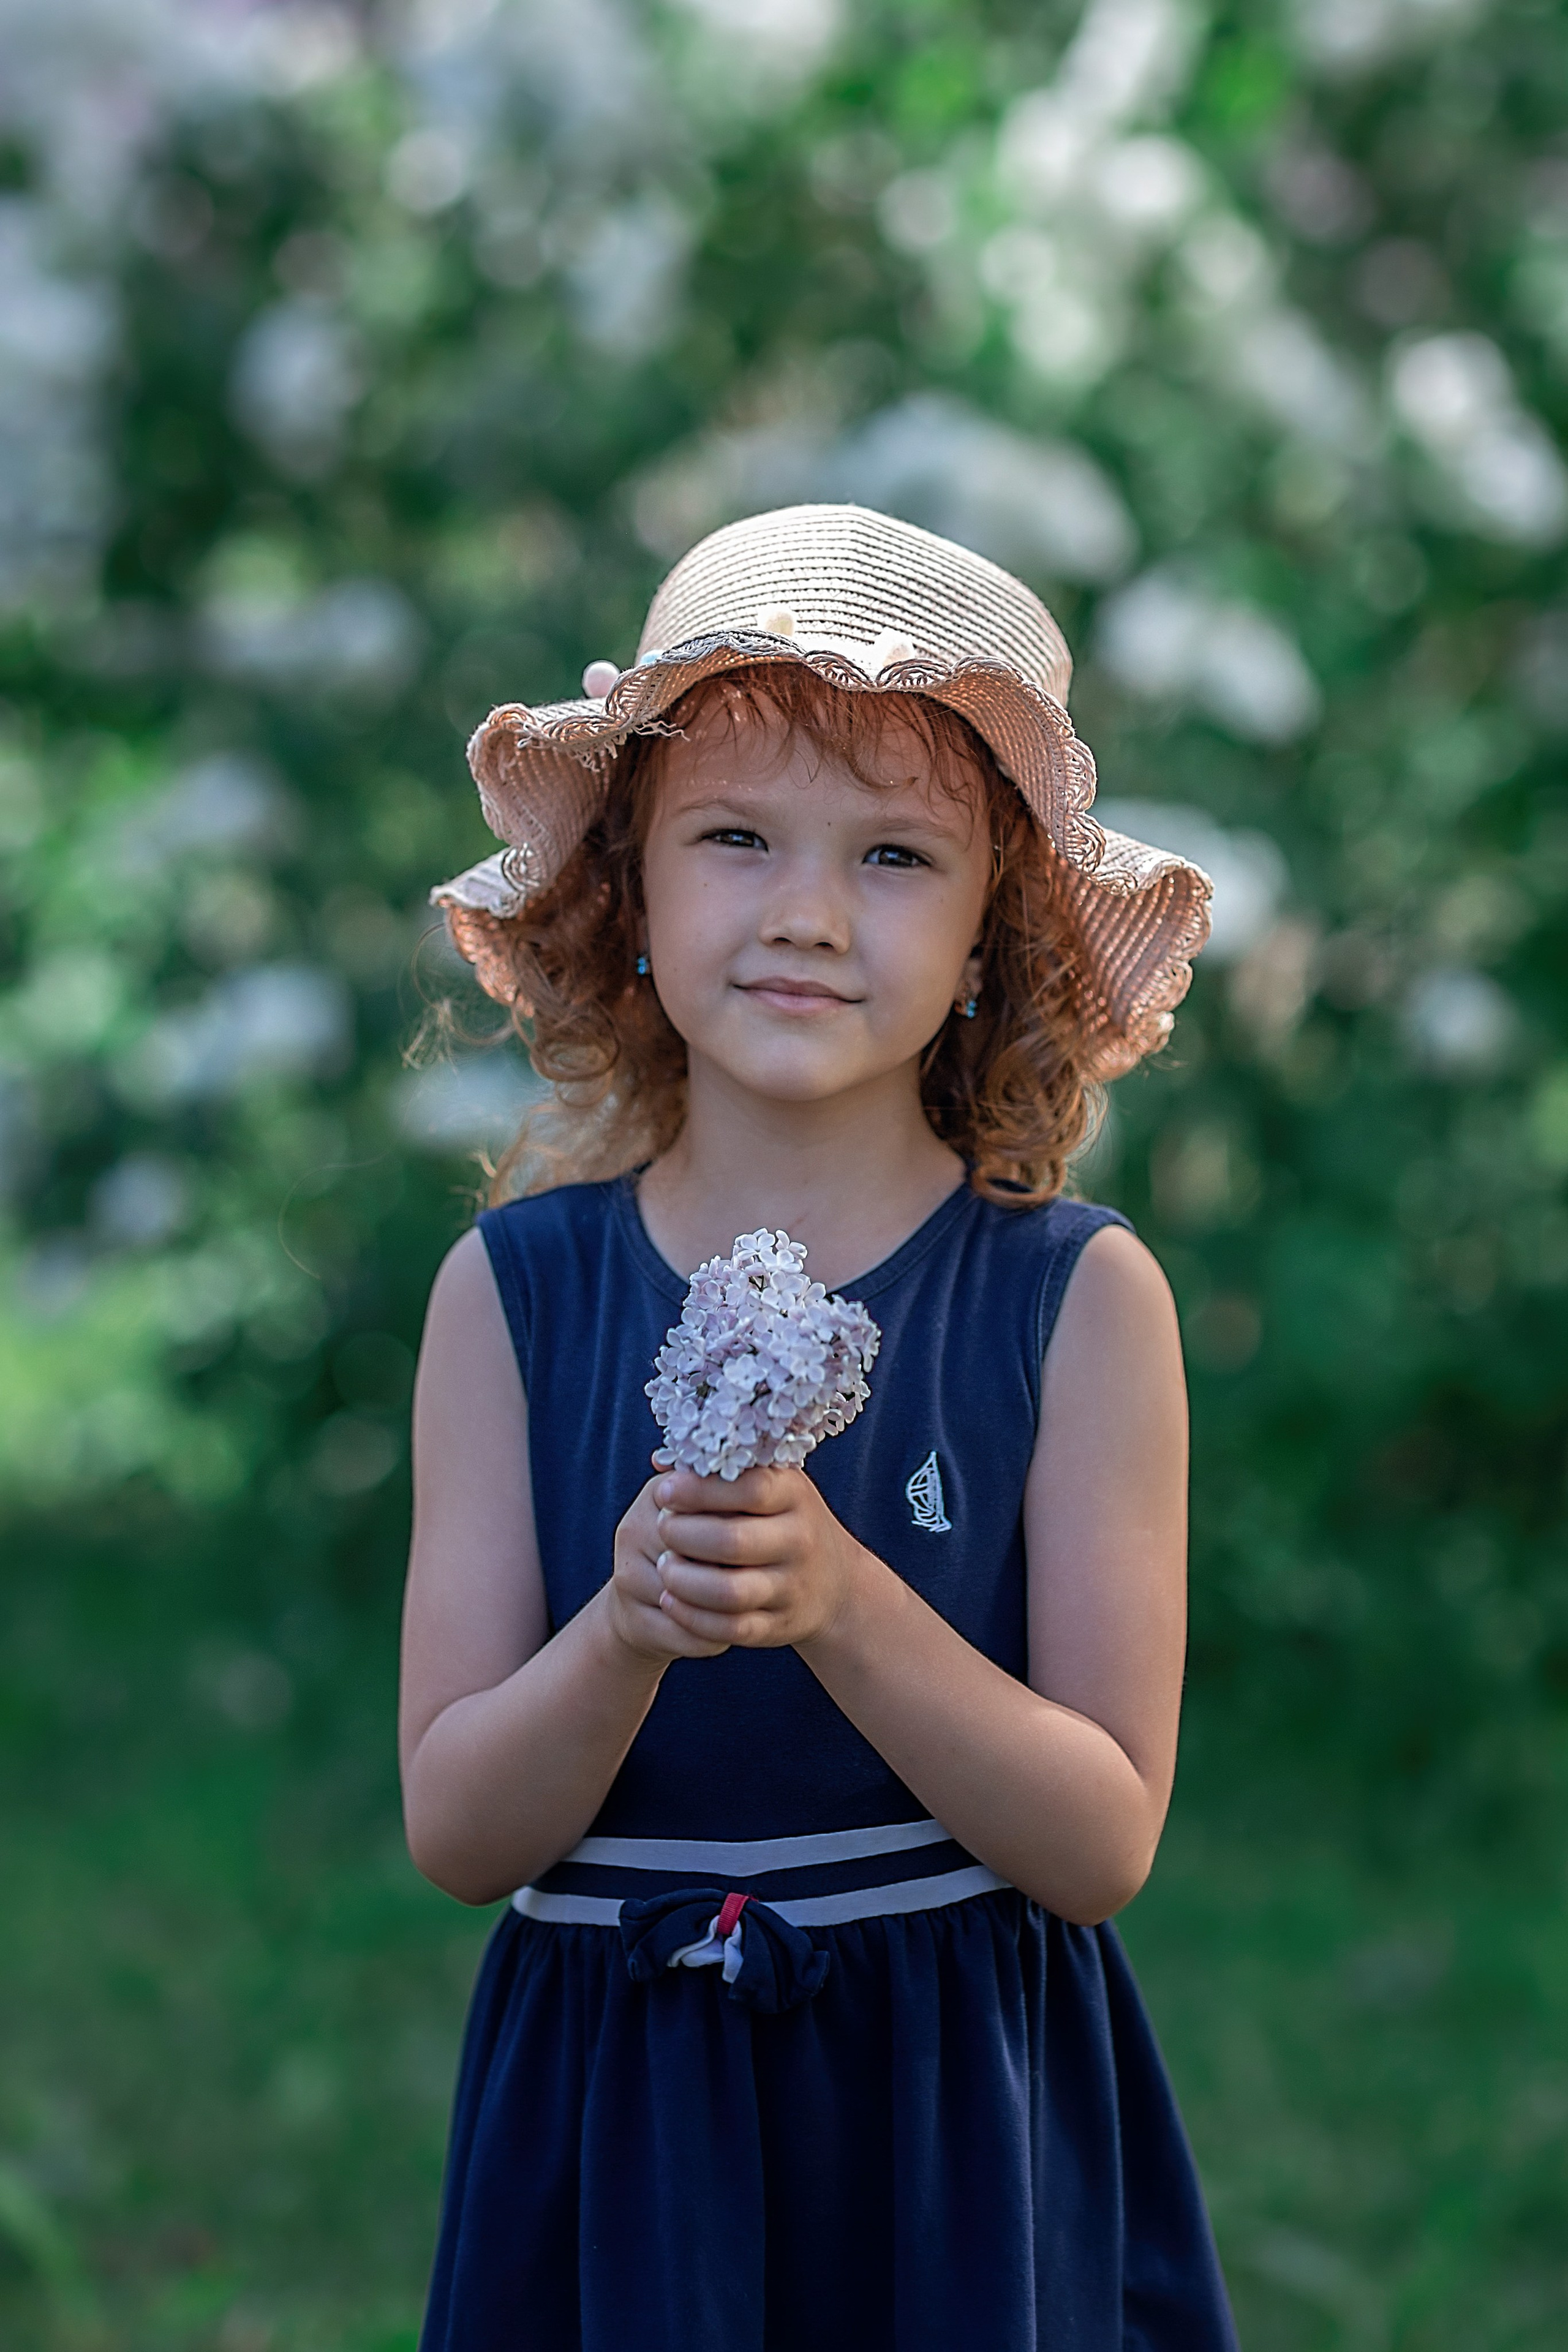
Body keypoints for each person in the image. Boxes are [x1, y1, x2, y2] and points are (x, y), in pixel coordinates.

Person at [404, 504, 1237, 2350]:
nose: (803, 909)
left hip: (952, 2130)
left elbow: (1101, 1843)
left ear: (989, 927)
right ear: (629, 888)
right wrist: (627, 1626)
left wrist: (842, 1602)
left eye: (892, 855)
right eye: (734, 838)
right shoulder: (514, 1302)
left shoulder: (1075, 1304)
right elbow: (459, 1827)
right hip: (616, 2124)